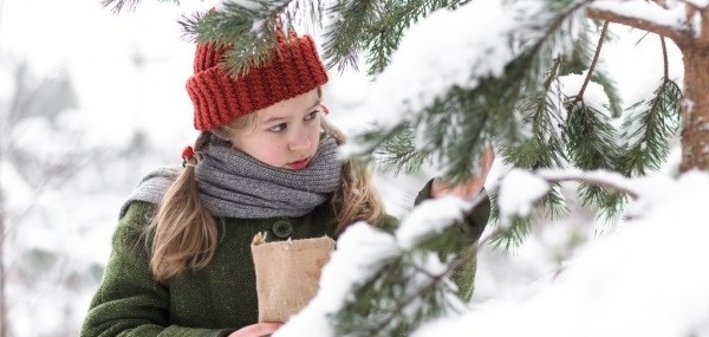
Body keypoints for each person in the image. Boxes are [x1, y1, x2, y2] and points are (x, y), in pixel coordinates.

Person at [79, 26, 493, 337]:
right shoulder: (161, 214)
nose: (304, 141)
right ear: (225, 130)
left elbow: (426, 308)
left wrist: (448, 211)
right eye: (278, 127)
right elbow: (109, 329)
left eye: (312, 115)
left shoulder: (346, 201)